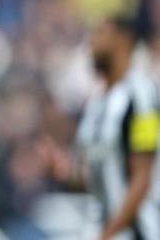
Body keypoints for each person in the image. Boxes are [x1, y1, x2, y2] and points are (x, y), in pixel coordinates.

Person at [41, 16, 160, 240]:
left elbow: (142, 177)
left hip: (137, 233)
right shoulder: (96, 103)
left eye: (100, 34)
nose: (92, 42)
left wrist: (108, 233)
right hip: (99, 229)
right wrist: (64, 172)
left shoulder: (141, 96)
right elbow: (97, 175)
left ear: (123, 41)